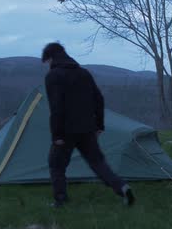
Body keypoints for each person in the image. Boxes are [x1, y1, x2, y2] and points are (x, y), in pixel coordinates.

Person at [41, 42, 135, 207]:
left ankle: (60, 201)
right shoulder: (83, 73)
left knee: (56, 164)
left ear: (50, 58)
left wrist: (57, 135)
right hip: (87, 128)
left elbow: (56, 107)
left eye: (46, 62)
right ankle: (122, 187)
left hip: (66, 130)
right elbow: (98, 99)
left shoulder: (53, 76)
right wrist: (99, 125)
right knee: (97, 162)